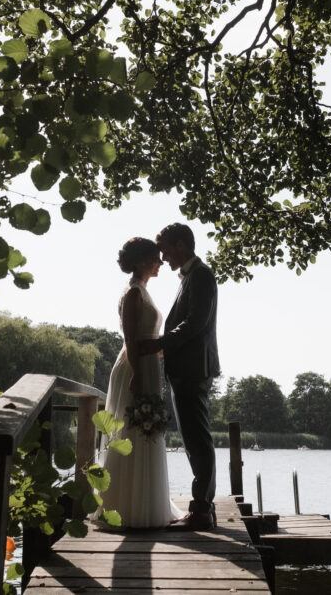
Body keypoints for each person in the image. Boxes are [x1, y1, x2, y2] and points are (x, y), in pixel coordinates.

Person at [93, 237, 184, 528]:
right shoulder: (133, 293)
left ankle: (145, 503)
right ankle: (123, 506)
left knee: (146, 431)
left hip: (148, 364)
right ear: (142, 261)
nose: (160, 263)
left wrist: (163, 350)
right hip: (135, 367)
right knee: (132, 429)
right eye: (156, 258)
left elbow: (147, 338)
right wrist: (136, 374)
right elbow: (130, 338)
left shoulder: (143, 291)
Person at [139, 223, 220, 531]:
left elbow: (196, 322)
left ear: (182, 245)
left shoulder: (201, 275)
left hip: (193, 367)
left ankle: (201, 510)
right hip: (186, 366)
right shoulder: (191, 276)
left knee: (198, 439)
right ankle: (202, 507)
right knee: (193, 439)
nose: (163, 257)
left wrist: (161, 343)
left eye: (166, 250)